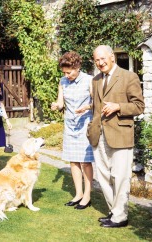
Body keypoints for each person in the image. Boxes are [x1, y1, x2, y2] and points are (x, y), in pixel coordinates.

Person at [76, 45, 145, 228]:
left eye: (103, 59)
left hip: (121, 134)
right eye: (96, 60)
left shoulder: (129, 77)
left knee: (120, 177)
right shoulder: (96, 80)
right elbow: (98, 107)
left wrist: (119, 107)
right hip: (99, 135)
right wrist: (89, 111)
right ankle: (114, 212)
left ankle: (120, 216)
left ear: (112, 57)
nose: (100, 63)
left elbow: (139, 106)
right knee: (104, 176)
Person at [51, 51, 94, 210]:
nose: (67, 75)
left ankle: (88, 195)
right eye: (64, 72)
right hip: (70, 124)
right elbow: (61, 103)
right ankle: (78, 194)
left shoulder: (89, 80)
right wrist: (56, 106)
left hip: (85, 123)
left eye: (69, 72)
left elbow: (97, 102)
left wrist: (87, 107)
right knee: (73, 160)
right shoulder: (63, 81)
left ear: (77, 67)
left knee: (85, 161)